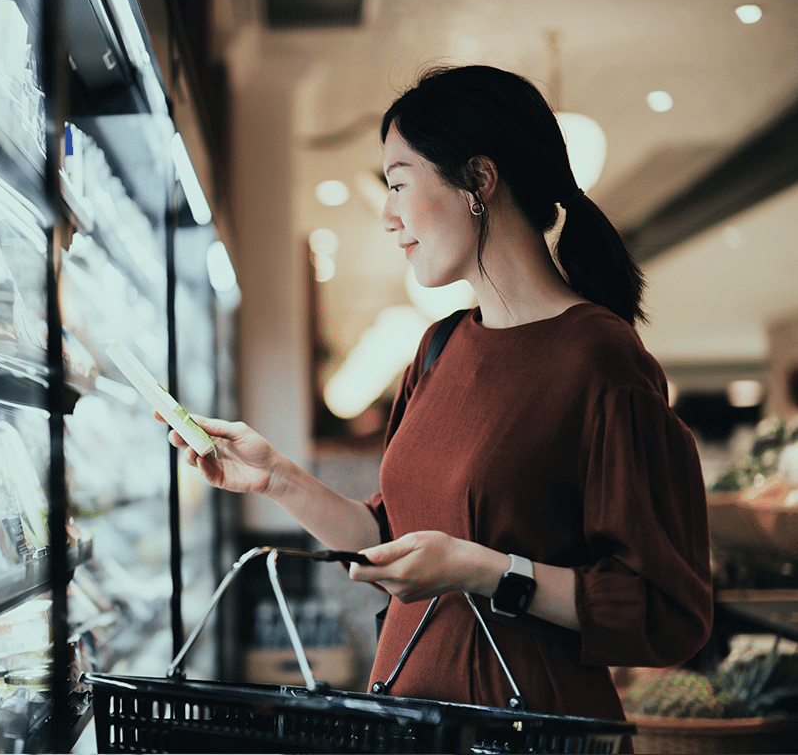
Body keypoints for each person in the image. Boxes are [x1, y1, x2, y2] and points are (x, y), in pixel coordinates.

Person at [164, 64, 713, 722]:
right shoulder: (438, 348)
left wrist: (485, 570)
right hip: (408, 719)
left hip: (526, 729)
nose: (389, 218)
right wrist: (275, 478)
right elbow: (389, 541)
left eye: (398, 183)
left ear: (479, 180)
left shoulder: (601, 359)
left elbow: (666, 610)